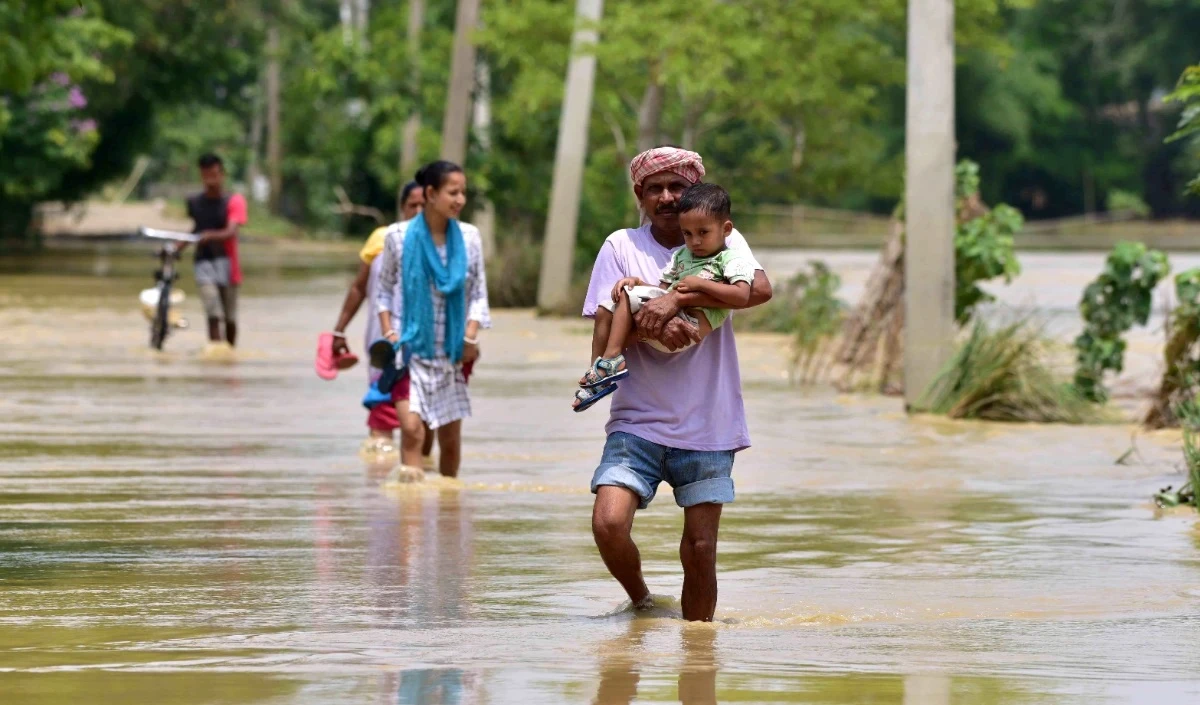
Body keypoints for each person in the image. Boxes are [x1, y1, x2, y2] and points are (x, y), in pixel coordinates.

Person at [581, 146, 773, 622]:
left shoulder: (725, 242)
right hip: (637, 419)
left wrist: (681, 296)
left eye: (677, 187)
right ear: (639, 195)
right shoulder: (620, 246)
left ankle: (698, 654)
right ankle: (642, 600)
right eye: (655, 189)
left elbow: (760, 290)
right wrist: (655, 321)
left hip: (708, 420)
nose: (666, 197)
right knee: (608, 524)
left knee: (701, 549)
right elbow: (606, 330)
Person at [574, 183, 756, 411]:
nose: (695, 241)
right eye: (687, 234)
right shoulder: (684, 255)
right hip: (672, 319)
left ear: (726, 229)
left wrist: (699, 285)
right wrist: (638, 283)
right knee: (610, 305)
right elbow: (662, 294)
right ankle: (601, 370)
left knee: (624, 313)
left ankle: (609, 362)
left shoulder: (730, 258)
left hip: (689, 329)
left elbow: (741, 296)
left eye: (703, 233)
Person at [376, 161, 491, 478]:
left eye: (463, 192)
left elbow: (479, 294)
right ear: (430, 193)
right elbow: (383, 289)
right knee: (412, 431)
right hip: (409, 350)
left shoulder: (469, 237)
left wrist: (470, 336)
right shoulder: (397, 236)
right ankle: (410, 517)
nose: (460, 200)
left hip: (453, 354)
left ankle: (447, 514)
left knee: (450, 441)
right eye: (453, 192)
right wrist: (388, 331)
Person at [327, 182, 438, 461]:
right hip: (384, 347)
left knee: (423, 427)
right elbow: (359, 287)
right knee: (382, 428)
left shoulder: (444, 244)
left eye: (424, 205)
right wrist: (338, 330)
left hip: (427, 350)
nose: (418, 210)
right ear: (402, 208)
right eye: (412, 205)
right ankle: (378, 497)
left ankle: (423, 489)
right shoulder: (381, 238)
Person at [185, 153, 247, 347]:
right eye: (206, 174)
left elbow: (231, 231)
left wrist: (210, 235)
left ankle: (229, 352)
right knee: (213, 312)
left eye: (213, 174)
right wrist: (177, 246)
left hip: (227, 264)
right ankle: (216, 354)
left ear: (222, 174)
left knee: (230, 318)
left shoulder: (234, 201)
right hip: (203, 262)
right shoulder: (195, 202)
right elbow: (196, 229)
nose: (210, 179)